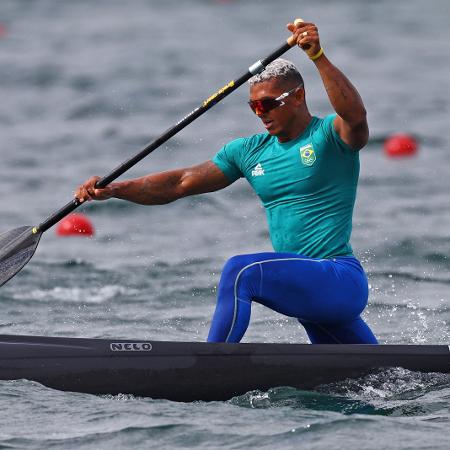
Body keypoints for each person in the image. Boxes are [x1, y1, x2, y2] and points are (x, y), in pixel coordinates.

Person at [75, 20, 378, 345]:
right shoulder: (248, 152)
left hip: (338, 279)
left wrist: (317, 56)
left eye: (267, 104)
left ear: (298, 96)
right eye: (253, 106)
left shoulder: (330, 136)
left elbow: (356, 116)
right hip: (308, 295)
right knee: (374, 376)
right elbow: (180, 183)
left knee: (240, 272)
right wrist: (115, 189)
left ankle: (210, 364)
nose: (260, 113)